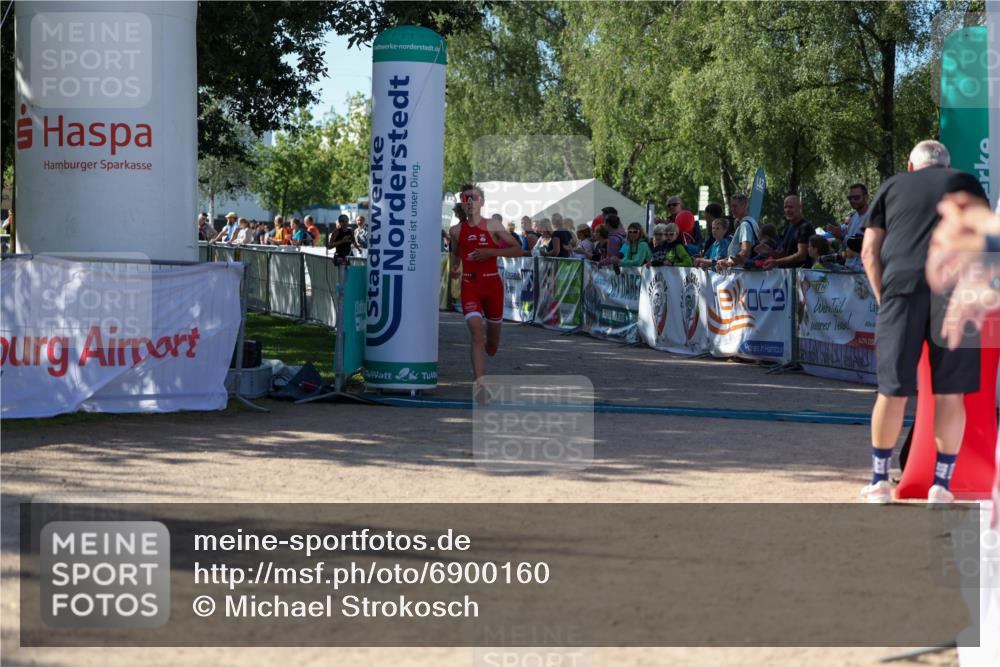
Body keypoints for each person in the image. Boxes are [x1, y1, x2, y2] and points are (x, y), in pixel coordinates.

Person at [859, 140, 987, 505]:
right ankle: (941, 486)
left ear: (911, 166)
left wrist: (885, 298)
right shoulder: (967, 182)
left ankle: (880, 482)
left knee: (892, 390)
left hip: (902, 289)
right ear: (947, 165)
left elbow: (868, 251)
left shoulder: (892, 185)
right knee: (950, 394)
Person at [448, 183, 522, 399]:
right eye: (466, 198)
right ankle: (481, 387)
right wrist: (454, 268)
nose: (470, 202)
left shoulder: (493, 225)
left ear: (482, 202)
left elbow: (518, 249)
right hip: (470, 286)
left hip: (493, 287)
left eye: (474, 197)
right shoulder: (456, 231)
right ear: (462, 203)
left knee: (492, 345)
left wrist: (490, 252)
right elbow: (456, 253)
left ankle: (492, 343)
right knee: (477, 334)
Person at [763, 195, 812, 270]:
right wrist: (768, 251)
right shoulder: (789, 228)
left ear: (800, 207)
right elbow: (784, 254)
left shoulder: (805, 227)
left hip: (801, 275)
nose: (787, 210)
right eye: (785, 207)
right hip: (787, 274)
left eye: (790, 207)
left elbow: (801, 255)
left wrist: (776, 262)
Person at [716, 194, 758, 270]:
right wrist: (726, 260)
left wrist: (727, 263)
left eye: (735, 206)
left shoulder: (745, 225)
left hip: (741, 272)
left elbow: (745, 253)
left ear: (744, 206)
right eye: (731, 206)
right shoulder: (751, 222)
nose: (732, 209)